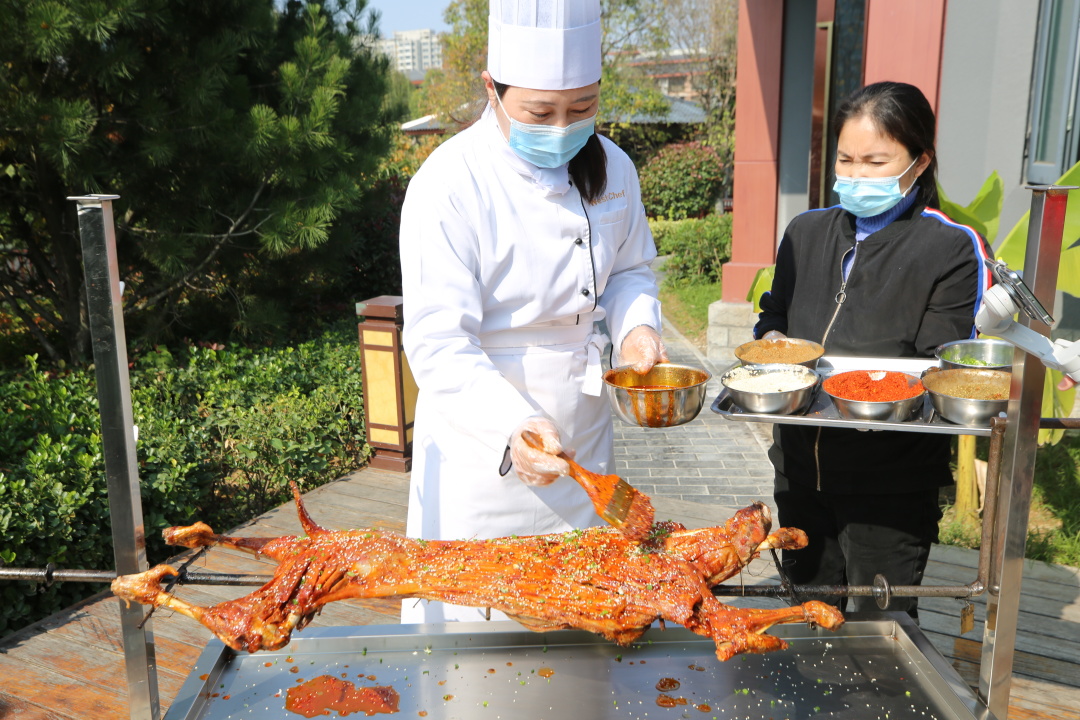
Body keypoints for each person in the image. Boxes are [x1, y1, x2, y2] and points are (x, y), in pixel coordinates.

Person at [397, 0, 667, 624]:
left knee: (589, 610)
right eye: (540, 113)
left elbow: (629, 270)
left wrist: (638, 328)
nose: (563, 128)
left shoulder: (616, 167)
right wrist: (511, 426)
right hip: (480, 445)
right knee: (477, 628)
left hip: (584, 432)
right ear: (492, 90)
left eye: (582, 110)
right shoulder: (449, 183)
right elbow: (438, 341)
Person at [754, 81, 993, 618]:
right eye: (846, 159)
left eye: (876, 161)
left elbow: (944, 362)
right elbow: (775, 314)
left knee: (879, 635)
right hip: (799, 471)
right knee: (806, 618)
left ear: (919, 161)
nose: (857, 175)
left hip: (889, 486)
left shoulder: (949, 246)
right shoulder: (805, 232)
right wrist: (772, 345)